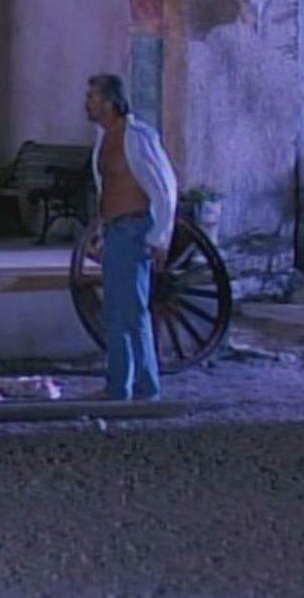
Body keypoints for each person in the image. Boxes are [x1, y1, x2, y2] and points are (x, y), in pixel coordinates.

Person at [85, 74, 177, 401]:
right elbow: (106, 189)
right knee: (114, 312)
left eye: (93, 97)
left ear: (110, 102)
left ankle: (146, 386)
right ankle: (119, 386)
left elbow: (164, 188)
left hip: (134, 229)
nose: (87, 103)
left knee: (133, 311)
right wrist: (100, 232)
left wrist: (160, 237)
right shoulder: (104, 139)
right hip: (115, 231)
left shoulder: (137, 138)